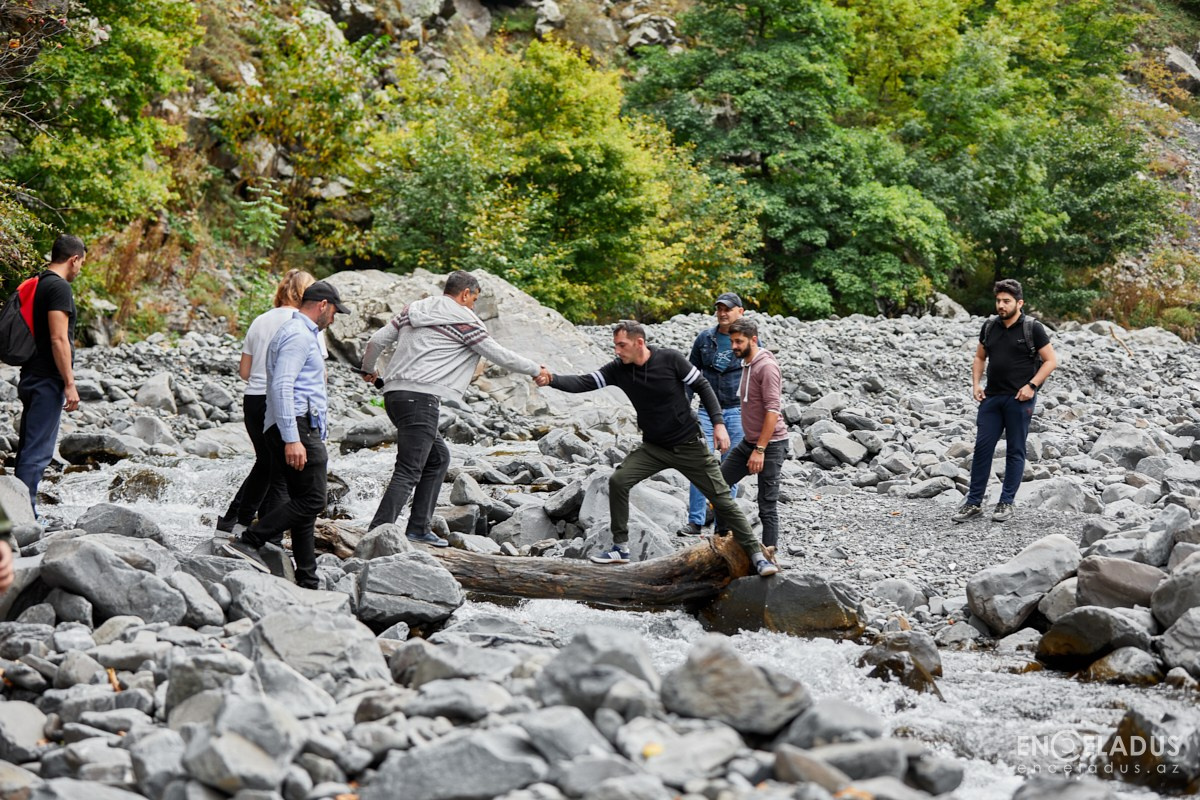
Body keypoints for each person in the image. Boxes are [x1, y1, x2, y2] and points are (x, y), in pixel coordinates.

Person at [537, 320, 778, 577]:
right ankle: (620, 547)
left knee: (722, 500)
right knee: (619, 481)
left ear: (639, 342)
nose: (617, 351)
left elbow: (703, 386)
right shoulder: (619, 369)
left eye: (622, 345)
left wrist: (718, 424)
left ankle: (757, 554)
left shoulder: (670, 359)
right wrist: (552, 379)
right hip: (653, 447)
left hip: (688, 446)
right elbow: (584, 382)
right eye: (615, 345)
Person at [359, 270, 546, 545]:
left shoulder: (414, 309)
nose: (473, 305)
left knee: (437, 459)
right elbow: (497, 354)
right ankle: (377, 534)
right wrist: (535, 369)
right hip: (420, 399)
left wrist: (368, 369)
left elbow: (376, 341)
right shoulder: (463, 317)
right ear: (465, 294)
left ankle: (417, 527)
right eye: (474, 299)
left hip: (394, 396)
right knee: (409, 469)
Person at [222, 280, 350, 588]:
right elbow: (281, 385)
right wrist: (292, 438)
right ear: (323, 306)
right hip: (297, 426)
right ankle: (249, 540)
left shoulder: (297, 333)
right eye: (334, 312)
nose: (333, 320)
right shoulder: (298, 335)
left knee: (302, 503)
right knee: (314, 500)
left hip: (292, 424)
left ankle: (307, 577)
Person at [216, 269, 321, 535]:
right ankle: (266, 535)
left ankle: (235, 521)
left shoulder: (260, 320)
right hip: (284, 401)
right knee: (281, 473)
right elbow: (317, 374)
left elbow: (244, 372)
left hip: (252, 399)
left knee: (266, 463)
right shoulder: (307, 323)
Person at [953, 279, 1058, 524]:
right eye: (999, 300)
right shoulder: (989, 326)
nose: (1001, 305)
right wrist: (976, 384)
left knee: (1015, 450)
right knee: (982, 450)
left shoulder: (1033, 328)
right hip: (991, 398)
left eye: (1006, 301)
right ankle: (974, 502)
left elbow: (1051, 361)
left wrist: (1032, 386)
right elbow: (980, 357)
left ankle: (1006, 502)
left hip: (1019, 399)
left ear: (1019, 303)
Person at [16, 234, 85, 525]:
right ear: (73, 259)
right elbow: (59, 339)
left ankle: (15, 511)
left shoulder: (39, 282)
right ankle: (24, 519)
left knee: (27, 449)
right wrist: (69, 382)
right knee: (37, 453)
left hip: (31, 374)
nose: (80, 268)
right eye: (82, 262)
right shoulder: (59, 288)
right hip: (47, 380)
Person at [716, 317, 789, 549]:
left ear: (753, 339)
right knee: (717, 485)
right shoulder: (746, 363)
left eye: (739, 342)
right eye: (732, 342)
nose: (734, 346)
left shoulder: (766, 367)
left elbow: (772, 411)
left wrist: (760, 449)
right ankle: (722, 545)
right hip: (750, 442)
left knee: (766, 504)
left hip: (771, 444)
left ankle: (769, 557)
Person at [680, 292, 748, 536]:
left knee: (730, 467)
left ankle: (723, 523)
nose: (722, 313)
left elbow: (757, 376)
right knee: (701, 464)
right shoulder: (704, 339)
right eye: (719, 308)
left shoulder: (748, 340)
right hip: (707, 412)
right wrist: (684, 408)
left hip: (737, 411)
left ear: (740, 311)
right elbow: (689, 376)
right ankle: (695, 521)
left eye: (727, 309)